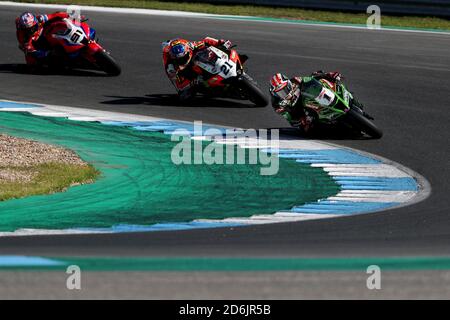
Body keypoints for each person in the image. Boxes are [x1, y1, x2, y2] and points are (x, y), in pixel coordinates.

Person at [269, 70, 344, 133]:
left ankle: (337, 91)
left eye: (285, 89)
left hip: (309, 99)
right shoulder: (277, 104)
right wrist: (300, 120)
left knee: (319, 77)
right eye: (280, 92)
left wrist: (327, 75)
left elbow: (309, 79)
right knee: (308, 130)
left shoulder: (295, 80)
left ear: (288, 83)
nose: (285, 93)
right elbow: (290, 119)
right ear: (275, 94)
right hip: (303, 114)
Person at [162, 37, 232, 100]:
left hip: (201, 60)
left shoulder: (191, 45)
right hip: (192, 75)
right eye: (179, 59)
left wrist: (221, 43)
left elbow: (206, 41)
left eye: (184, 58)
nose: (182, 60)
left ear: (187, 51)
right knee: (184, 96)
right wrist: (193, 82)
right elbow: (179, 86)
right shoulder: (171, 67)